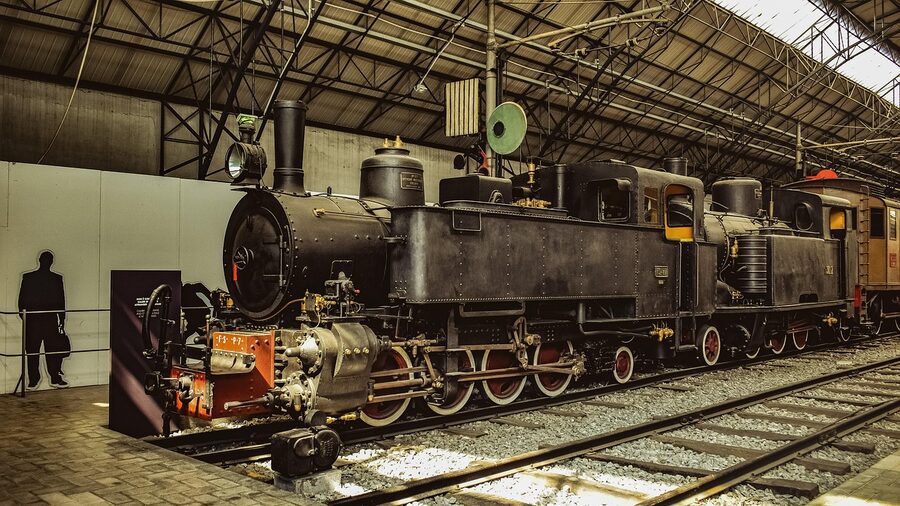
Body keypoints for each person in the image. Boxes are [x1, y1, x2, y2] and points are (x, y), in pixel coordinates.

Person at [18, 251, 68, 389]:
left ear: (39, 260)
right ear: (51, 262)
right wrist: (61, 320)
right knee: (49, 351)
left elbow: (21, 301)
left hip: (35, 320)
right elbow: (61, 302)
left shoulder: (29, 277)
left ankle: (35, 379)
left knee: (34, 351)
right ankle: (53, 378)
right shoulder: (56, 279)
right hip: (48, 320)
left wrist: (24, 317)